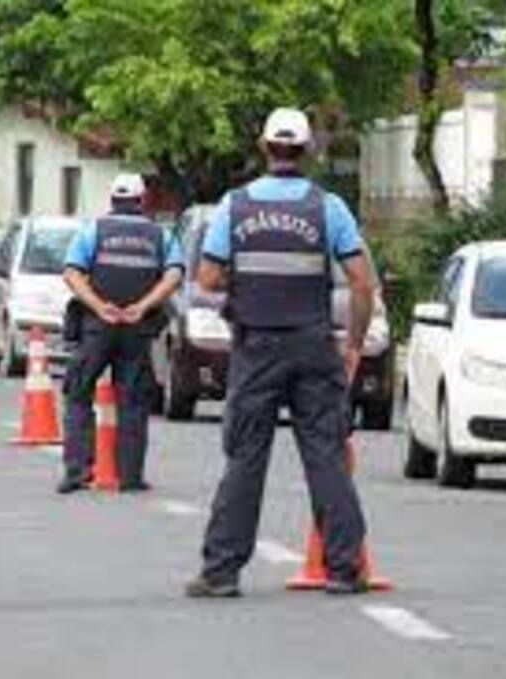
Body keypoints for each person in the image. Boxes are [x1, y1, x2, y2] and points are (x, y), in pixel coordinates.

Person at [184, 108, 374, 598]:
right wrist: (352, 344)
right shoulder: (328, 207)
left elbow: (205, 279)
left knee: (246, 457)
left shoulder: (235, 206)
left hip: (257, 345)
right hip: (313, 344)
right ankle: (344, 569)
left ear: (264, 147)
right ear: (308, 151)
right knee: (326, 455)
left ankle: (221, 571)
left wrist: (243, 291)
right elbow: (360, 283)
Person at [57, 174, 184, 494]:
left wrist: (99, 307)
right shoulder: (160, 235)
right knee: (133, 400)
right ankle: (130, 476)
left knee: (78, 392)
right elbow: (174, 275)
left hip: (97, 328)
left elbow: (72, 273)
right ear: (142, 201)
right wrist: (142, 306)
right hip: (136, 329)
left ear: (111, 200)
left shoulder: (93, 230)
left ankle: (77, 472)